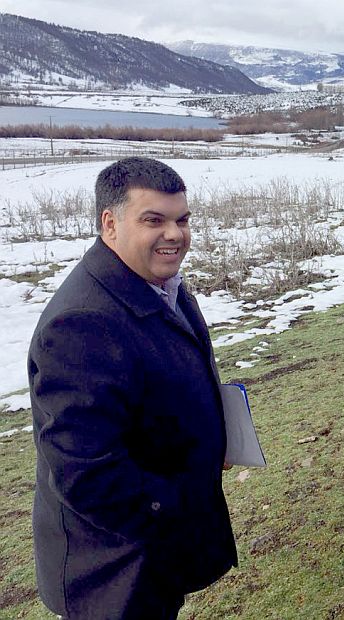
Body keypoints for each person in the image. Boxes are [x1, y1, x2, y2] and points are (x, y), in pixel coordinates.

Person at [29, 157, 237, 619]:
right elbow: (86, 474)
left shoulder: (157, 283)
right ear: (110, 223)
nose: (175, 234)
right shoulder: (82, 323)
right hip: (113, 567)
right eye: (154, 220)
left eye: (182, 220)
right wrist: (177, 502)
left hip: (150, 549)